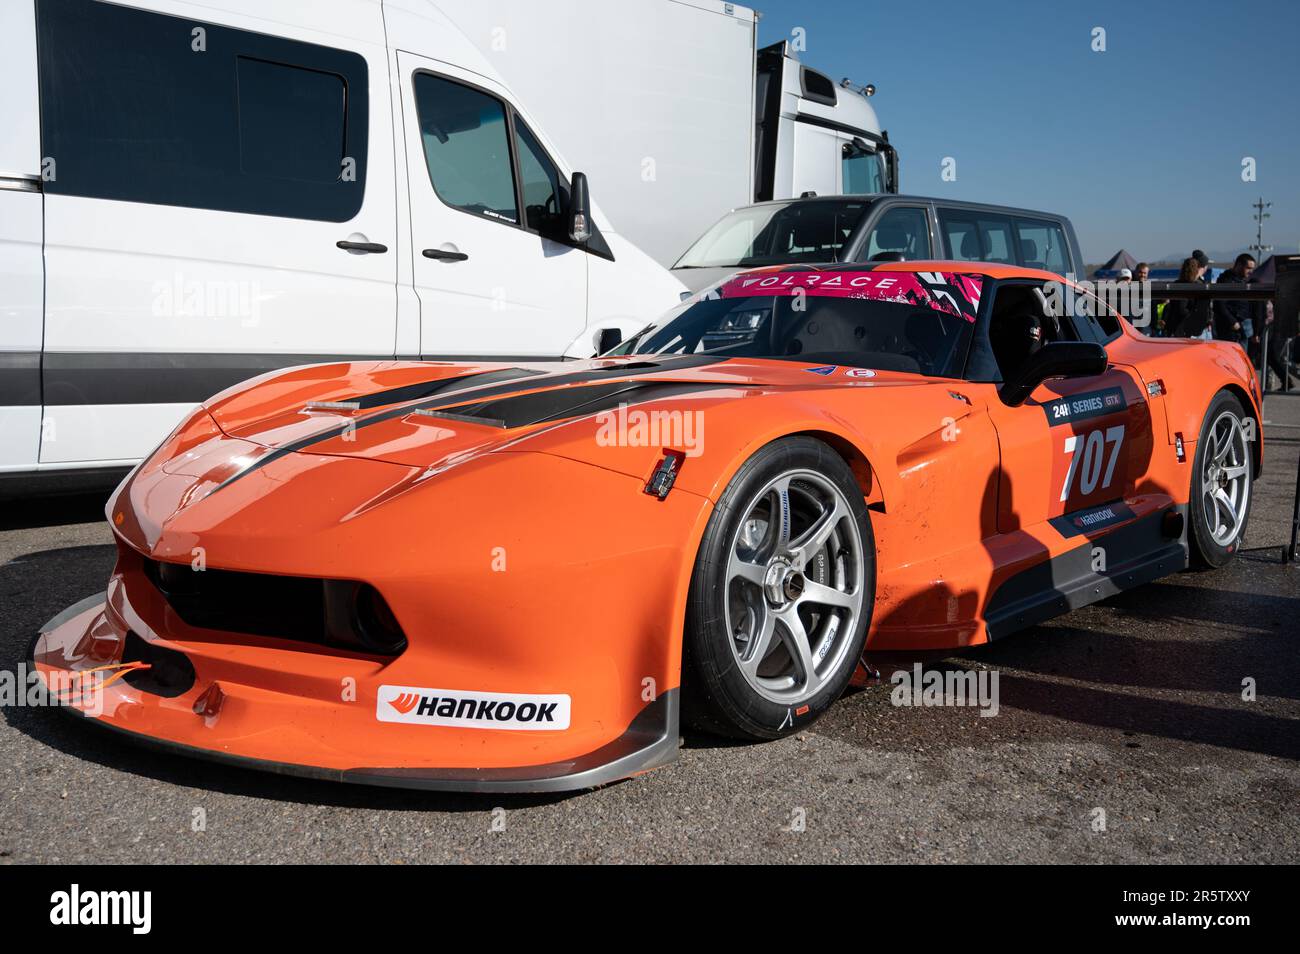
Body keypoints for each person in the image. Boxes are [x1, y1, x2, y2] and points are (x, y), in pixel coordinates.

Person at [1213, 253, 1255, 344]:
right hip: (1231, 330)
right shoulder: (1226, 281)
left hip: (1242, 327)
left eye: (1252, 269)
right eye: (1248, 268)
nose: (1251, 271)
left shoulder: (1242, 281)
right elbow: (1219, 304)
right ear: (1239, 265)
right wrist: (1232, 321)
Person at [1161, 258, 1206, 338]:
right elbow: (1182, 309)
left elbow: (1173, 306)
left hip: (1174, 327)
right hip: (1185, 328)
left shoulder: (1176, 285)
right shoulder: (1197, 286)